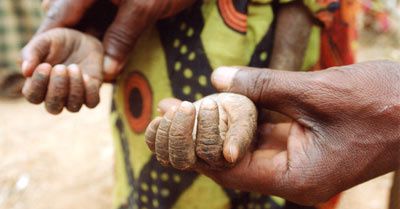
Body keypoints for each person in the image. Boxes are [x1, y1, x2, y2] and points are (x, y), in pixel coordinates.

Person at [22, 0, 357, 209]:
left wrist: (267, 103)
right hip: (148, 68)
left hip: (253, 69)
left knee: (253, 174)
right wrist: (93, 33)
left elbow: (304, 7)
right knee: (149, 173)